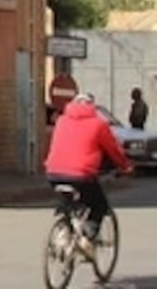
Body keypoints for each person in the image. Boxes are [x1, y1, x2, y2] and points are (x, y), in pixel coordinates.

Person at [45, 92, 133, 259]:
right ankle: (86, 239)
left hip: (54, 172)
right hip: (82, 175)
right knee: (99, 205)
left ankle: (63, 234)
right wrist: (125, 166)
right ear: (92, 106)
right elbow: (113, 150)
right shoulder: (98, 124)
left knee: (68, 202)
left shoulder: (61, 121)